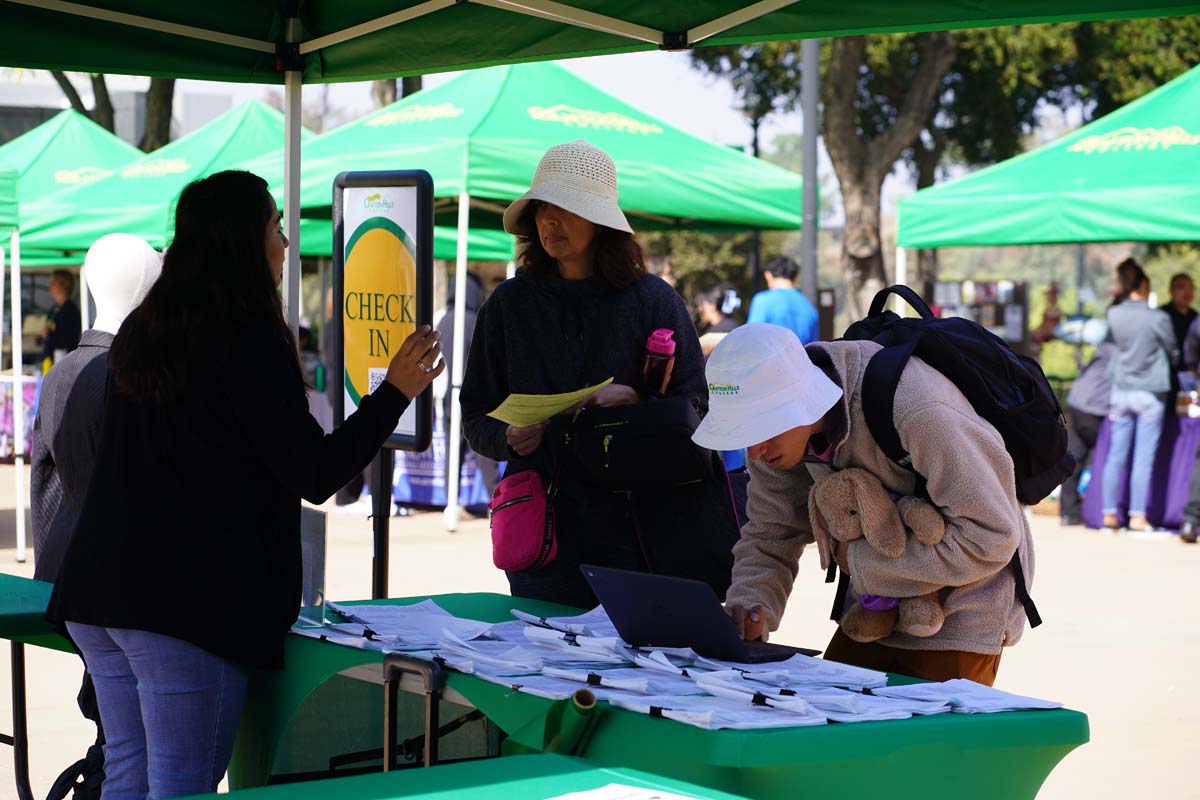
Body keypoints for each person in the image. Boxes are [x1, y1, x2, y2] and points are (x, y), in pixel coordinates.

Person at [46, 170, 444, 800]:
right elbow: (313, 473)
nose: (285, 244)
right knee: (181, 783)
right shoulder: (243, 337)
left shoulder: (151, 329)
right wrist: (393, 393)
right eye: (275, 227)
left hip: (101, 591)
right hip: (179, 604)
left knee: (128, 771)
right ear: (242, 241)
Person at [461, 140, 735, 609]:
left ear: (601, 221)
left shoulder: (655, 301)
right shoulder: (507, 306)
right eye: (542, 206)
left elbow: (702, 412)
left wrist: (640, 405)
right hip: (543, 534)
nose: (549, 220)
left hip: (645, 531)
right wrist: (509, 437)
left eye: (565, 207)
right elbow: (475, 417)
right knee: (543, 668)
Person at [694, 323, 1035, 686]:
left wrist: (858, 561)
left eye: (761, 428)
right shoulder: (775, 444)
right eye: (741, 434)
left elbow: (992, 536)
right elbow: (771, 530)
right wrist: (750, 604)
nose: (755, 451)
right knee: (832, 727)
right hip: (874, 607)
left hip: (965, 609)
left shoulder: (918, 409)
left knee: (926, 740)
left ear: (801, 403)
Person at [29, 233, 161, 800]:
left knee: (120, 741)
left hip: (76, 581)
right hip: (122, 587)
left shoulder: (62, 373)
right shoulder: (125, 377)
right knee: (135, 749)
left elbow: (45, 486)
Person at [1102, 259, 1176, 531]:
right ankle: (1137, 516)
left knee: (1116, 454)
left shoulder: (1115, 314)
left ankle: (1109, 514)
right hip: (1149, 391)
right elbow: (1172, 348)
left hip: (1120, 389)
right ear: (1144, 285)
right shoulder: (1157, 317)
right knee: (1142, 457)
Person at [436, 270, 499, 507]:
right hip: (473, 396)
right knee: (484, 453)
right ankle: (496, 499)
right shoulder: (475, 320)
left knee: (454, 452)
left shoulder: (443, 320)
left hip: (447, 397)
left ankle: (450, 501)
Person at [1058, 340, 1115, 527]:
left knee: (1075, 456)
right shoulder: (1120, 351)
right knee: (1106, 458)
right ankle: (1097, 510)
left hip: (1078, 402)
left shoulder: (1105, 347)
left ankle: (1068, 512)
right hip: (1094, 407)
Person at [747, 255, 818, 344]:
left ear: (768, 275)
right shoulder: (808, 306)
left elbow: (750, 338)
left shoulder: (763, 300)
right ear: (796, 278)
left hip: (771, 357)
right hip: (801, 357)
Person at [40, 269, 83, 372]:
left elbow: (68, 337)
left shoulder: (70, 310)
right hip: (50, 358)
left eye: (53, 283)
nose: (50, 286)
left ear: (64, 285)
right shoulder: (55, 308)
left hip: (62, 360)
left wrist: (51, 335)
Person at [694, 284, 741, 357]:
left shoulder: (711, 335)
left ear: (711, 305)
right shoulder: (735, 326)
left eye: (699, 305)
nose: (698, 309)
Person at [1161, 273, 1196, 353]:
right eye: (1182, 287)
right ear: (1171, 290)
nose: (1187, 291)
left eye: (1191, 287)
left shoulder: (1195, 318)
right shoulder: (1161, 316)